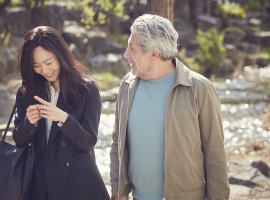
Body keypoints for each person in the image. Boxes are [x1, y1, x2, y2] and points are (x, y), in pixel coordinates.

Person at [110, 14, 230, 200]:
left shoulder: (200, 88)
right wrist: (118, 192)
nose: (126, 54)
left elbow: (215, 155)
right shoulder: (127, 84)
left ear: (154, 54)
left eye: (132, 49)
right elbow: (117, 142)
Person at [13, 26, 110, 200]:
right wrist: (30, 122)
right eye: (37, 65)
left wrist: (64, 119)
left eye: (49, 62)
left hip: (76, 183)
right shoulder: (26, 91)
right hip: (39, 183)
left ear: (60, 55)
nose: (44, 70)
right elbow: (18, 139)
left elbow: (88, 142)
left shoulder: (87, 90)